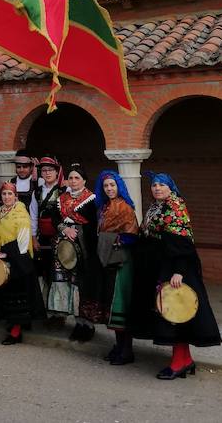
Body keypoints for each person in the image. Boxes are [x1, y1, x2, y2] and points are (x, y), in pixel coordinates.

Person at [130, 172, 222, 379]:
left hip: (175, 268)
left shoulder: (176, 207)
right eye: (154, 185)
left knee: (176, 313)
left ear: (171, 187)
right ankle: (185, 360)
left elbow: (182, 243)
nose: (157, 188)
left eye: (162, 185)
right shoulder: (156, 207)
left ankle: (179, 362)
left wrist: (179, 271)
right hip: (160, 264)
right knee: (171, 313)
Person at [0, 182, 44, 344]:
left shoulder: (21, 214)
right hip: (1, 257)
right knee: (7, 297)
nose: (7, 197)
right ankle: (13, 325)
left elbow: (23, 244)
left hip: (18, 260)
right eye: (4, 194)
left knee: (18, 298)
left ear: (16, 196)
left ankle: (16, 333)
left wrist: (5, 255)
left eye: (10, 194)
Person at [48, 163, 104, 341]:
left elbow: (96, 226)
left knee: (83, 286)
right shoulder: (62, 198)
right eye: (71, 178)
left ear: (84, 180)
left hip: (85, 249)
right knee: (69, 284)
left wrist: (77, 231)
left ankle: (88, 325)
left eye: (77, 178)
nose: (73, 181)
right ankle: (77, 323)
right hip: (64, 249)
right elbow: (55, 218)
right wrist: (65, 229)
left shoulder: (92, 199)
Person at [93, 170, 140, 365]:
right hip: (109, 259)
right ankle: (119, 346)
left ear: (119, 186)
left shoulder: (124, 207)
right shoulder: (104, 207)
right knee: (112, 305)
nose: (109, 189)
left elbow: (131, 235)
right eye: (106, 186)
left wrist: (113, 240)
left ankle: (127, 350)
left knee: (120, 303)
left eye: (112, 185)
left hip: (121, 261)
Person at [34, 155, 63, 302]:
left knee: (58, 272)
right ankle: (44, 305)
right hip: (43, 237)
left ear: (57, 172)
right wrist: (34, 238)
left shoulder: (64, 191)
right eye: (44, 170)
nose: (47, 173)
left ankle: (58, 308)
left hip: (59, 236)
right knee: (44, 270)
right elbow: (33, 216)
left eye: (50, 169)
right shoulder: (37, 192)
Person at [10, 150, 39, 251]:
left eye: (25, 167)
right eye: (19, 167)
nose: (21, 170)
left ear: (31, 167)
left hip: (34, 228)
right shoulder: (10, 183)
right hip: (15, 229)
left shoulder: (38, 182)